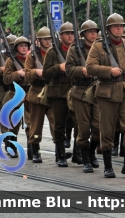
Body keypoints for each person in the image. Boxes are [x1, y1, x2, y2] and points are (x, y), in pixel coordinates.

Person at [86, 13, 125, 178]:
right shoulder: (98, 46)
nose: (119, 28)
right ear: (108, 29)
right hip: (107, 92)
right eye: (115, 26)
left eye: (121, 26)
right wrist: (109, 71)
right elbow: (90, 67)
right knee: (107, 129)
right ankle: (108, 166)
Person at [65, 20, 100, 173]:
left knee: (99, 128)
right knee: (83, 128)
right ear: (83, 34)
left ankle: (92, 152)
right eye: (90, 31)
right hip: (81, 91)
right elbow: (69, 69)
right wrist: (82, 70)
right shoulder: (75, 49)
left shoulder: (101, 47)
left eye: (95, 31)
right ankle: (85, 158)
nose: (94, 33)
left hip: (98, 91)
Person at [42, 22, 77, 167]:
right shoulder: (53, 52)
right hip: (58, 92)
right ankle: (60, 154)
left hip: (75, 90)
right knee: (59, 124)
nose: (70, 36)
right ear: (61, 36)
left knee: (79, 124)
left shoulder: (77, 50)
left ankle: (78, 153)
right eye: (67, 33)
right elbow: (46, 73)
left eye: (72, 33)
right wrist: (59, 67)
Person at [25, 27, 52, 163]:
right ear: (39, 40)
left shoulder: (54, 53)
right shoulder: (32, 56)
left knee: (57, 124)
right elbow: (27, 74)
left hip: (53, 93)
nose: (48, 41)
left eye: (49, 39)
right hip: (37, 92)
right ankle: (36, 152)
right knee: (36, 126)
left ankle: (60, 153)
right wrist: (36, 71)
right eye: (45, 39)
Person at [2, 37, 31, 158]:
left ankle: (32, 149)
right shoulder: (10, 61)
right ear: (16, 48)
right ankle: (11, 146)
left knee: (31, 124)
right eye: (21, 46)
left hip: (30, 93)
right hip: (15, 94)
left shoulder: (31, 59)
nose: (24, 48)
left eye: (26, 45)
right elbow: (6, 79)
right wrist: (17, 74)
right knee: (14, 124)